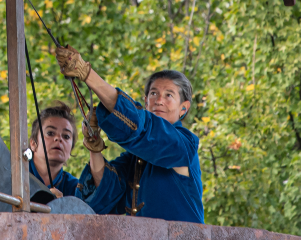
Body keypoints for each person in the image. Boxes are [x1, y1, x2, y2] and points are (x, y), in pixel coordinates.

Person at [55, 45, 204, 223]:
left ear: (183, 109)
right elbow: (107, 193)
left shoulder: (184, 145)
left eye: (168, 95)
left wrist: (87, 74)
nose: (159, 101)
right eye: (153, 93)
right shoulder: (135, 160)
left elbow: (142, 126)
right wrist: (94, 145)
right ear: (146, 102)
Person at [27, 102, 79, 197]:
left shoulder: (76, 189)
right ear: (33, 143)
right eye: (50, 133)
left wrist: (62, 206)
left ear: (71, 149)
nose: (58, 138)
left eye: (66, 136)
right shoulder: (14, 177)